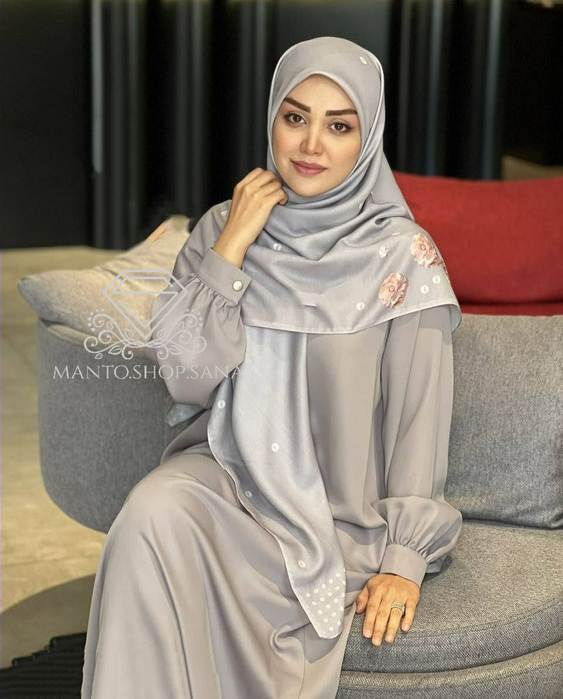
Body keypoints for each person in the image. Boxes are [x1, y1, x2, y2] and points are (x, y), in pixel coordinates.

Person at [81, 36, 463, 699]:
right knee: (151, 511)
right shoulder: (220, 229)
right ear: (271, 121)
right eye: (295, 117)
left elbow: (417, 420)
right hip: (228, 481)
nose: (311, 144)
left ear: (367, 138)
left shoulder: (404, 256)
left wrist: (404, 557)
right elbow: (186, 376)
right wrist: (232, 247)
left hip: (337, 515)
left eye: (339, 126)